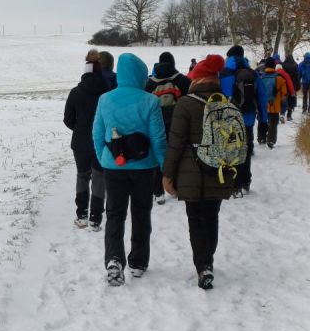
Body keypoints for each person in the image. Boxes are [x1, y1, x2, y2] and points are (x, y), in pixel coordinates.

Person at [93, 53, 167, 286]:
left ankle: (114, 259)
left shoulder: (105, 99)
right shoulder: (150, 101)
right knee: (141, 213)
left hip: (113, 167)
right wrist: (165, 167)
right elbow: (158, 138)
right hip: (144, 168)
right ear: (140, 75)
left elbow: (97, 134)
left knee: (114, 214)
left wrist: (104, 159)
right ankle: (138, 262)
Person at [162, 55, 236, 290]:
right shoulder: (227, 103)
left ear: (197, 79)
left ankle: (202, 266)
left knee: (195, 219)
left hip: (190, 173)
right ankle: (208, 261)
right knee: (211, 217)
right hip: (219, 172)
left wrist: (167, 174)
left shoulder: (185, 104)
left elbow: (175, 143)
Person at [64, 50, 111, 231]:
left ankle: (81, 215)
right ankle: (95, 218)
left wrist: (80, 129)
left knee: (82, 176)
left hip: (81, 142)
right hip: (101, 141)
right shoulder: (108, 92)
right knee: (99, 178)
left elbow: (68, 119)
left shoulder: (75, 92)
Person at [220, 46, 268, 196]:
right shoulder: (252, 74)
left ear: (229, 57)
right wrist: (263, 120)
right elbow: (262, 97)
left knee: (231, 150)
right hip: (248, 118)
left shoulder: (222, 74)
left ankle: (235, 184)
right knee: (245, 150)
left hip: (227, 119)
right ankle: (246, 181)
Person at [145, 51, 191, 205]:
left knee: (157, 155)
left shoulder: (150, 82)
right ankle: (175, 186)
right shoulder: (182, 80)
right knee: (177, 153)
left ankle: (158, 192)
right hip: (178, 124)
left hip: (156, 124)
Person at [262, 57, 288, 148]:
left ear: (265, 66)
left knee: (263, 121)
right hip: (275, 106)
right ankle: (271, 140)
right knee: (273, 123)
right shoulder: (279, 78)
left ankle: (262, 138)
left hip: (263, 105)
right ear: (274, 66)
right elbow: (284, 93)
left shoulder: (261, 77)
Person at [282, 55, 300, 120]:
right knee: (291, 99)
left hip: (284, 84)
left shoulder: (283, 65)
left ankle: (282, 114)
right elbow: (297, 76)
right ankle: (289, 115)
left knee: (284, 99)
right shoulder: (295, 65)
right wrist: (298, 86)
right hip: (293, 85)